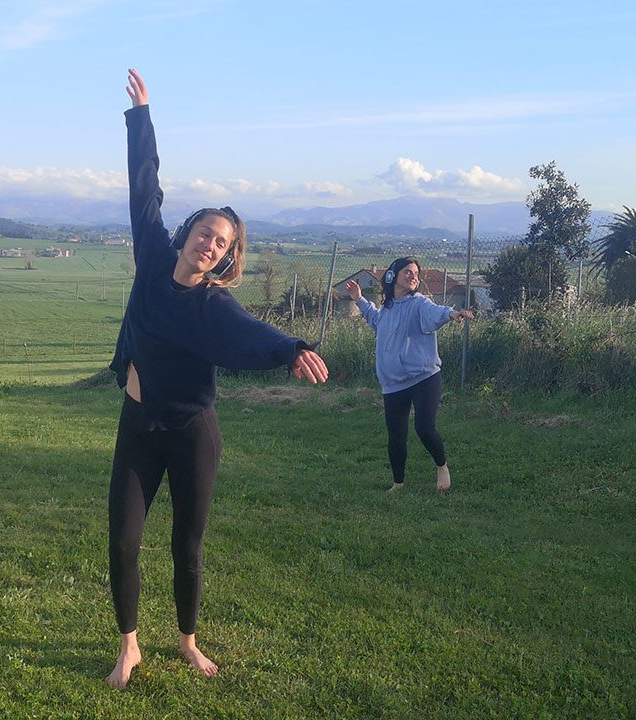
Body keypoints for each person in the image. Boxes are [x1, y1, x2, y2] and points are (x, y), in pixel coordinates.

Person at [104, 68, 329, 690]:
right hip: (137, 426)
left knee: (188, 546)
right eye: (206, 232)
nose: (211, 245)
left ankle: (187, 641)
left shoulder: (213, 306)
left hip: (192, 432)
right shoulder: (151, 255)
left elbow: (250, 334)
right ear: (189, 234)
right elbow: (142, 189)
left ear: (227, 256)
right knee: (123, 542)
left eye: (223, 243)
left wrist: (292, 349)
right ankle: (130, 647)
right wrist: (142, 117)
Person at [344, 258, 473, 493]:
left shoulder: (419, 303)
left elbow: (435, 312)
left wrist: (452, 314)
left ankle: (442, 466)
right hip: (393, 383)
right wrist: (359, 299)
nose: (413, 276)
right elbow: (375, 319)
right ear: (392, 276)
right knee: (396, 436)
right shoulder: (388, 309)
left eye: (416, 273)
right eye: (407, 272)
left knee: (424, 428)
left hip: (424, 378)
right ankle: (398, 484)